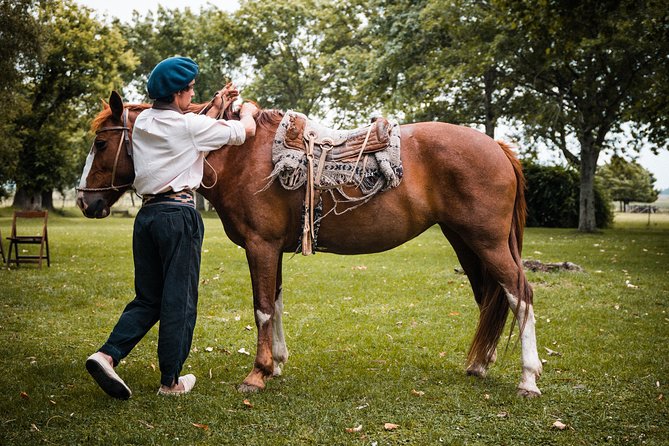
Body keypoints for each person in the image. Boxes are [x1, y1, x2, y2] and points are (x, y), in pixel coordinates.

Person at [86, 56, 258, 398]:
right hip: (179, 217)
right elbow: (245, 132)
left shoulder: (145, 121)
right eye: (190, 89)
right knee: (179, 300)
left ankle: (106, 355)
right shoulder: (188, 128)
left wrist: (217, 102)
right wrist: (247, 109)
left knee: (148, 298)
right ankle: (171, 381)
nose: (192, 93)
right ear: (179, 94)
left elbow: (192, 126)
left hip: (147, 217)